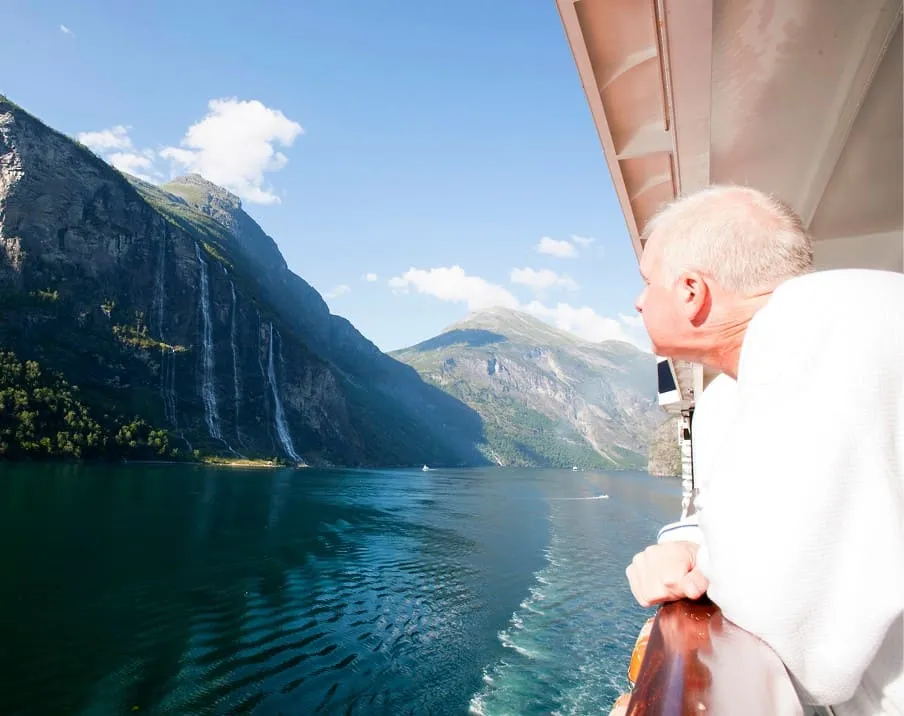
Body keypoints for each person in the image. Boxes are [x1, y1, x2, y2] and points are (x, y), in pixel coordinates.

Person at [623, 185, 904, 715]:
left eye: (646, 282)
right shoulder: (733, 389)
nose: (638, 301)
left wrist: (697, 564)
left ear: (691, 291)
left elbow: (799, 630)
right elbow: (737, 515)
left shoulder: (810, 329)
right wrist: (685, 543)